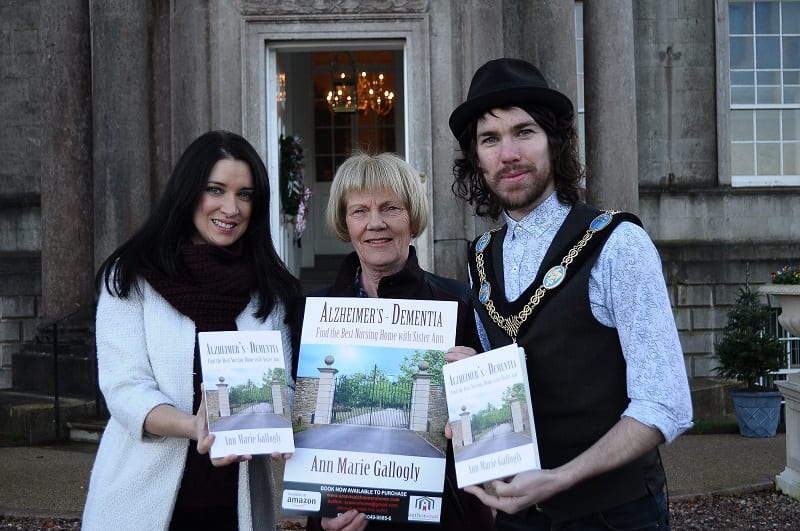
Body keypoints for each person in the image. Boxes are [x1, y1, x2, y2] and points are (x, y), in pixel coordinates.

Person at [448, 58, 693, 530]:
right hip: (519, 514)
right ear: (476, 159)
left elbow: (665, 404)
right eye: (490, 139)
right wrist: (469, 377)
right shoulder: (480, 257)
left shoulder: (618, 243)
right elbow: (509, 384)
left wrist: (559, 479)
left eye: (525, 131)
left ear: (554, 141)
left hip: (613, 515)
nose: (509, 154)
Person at [81, 130, 302, 531]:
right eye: (215, 190)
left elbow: (283, 385)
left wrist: (277, 421)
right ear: (187, 192)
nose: (231, 208)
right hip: (141, 502)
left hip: (236, 508)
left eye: (246, 194)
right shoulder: (130, 277)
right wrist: (194, 425)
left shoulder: (269, 287)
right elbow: (124, 387)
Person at [305, 151, 494, 531]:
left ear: (413, 218)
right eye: (359, 211)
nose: (375, 224)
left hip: (441, 515)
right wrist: (322, 516)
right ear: (345, 222)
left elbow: (490, 426)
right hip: (344, 519)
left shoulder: (459, 303)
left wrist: (480, 383)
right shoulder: (312, 312)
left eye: (391, 208)